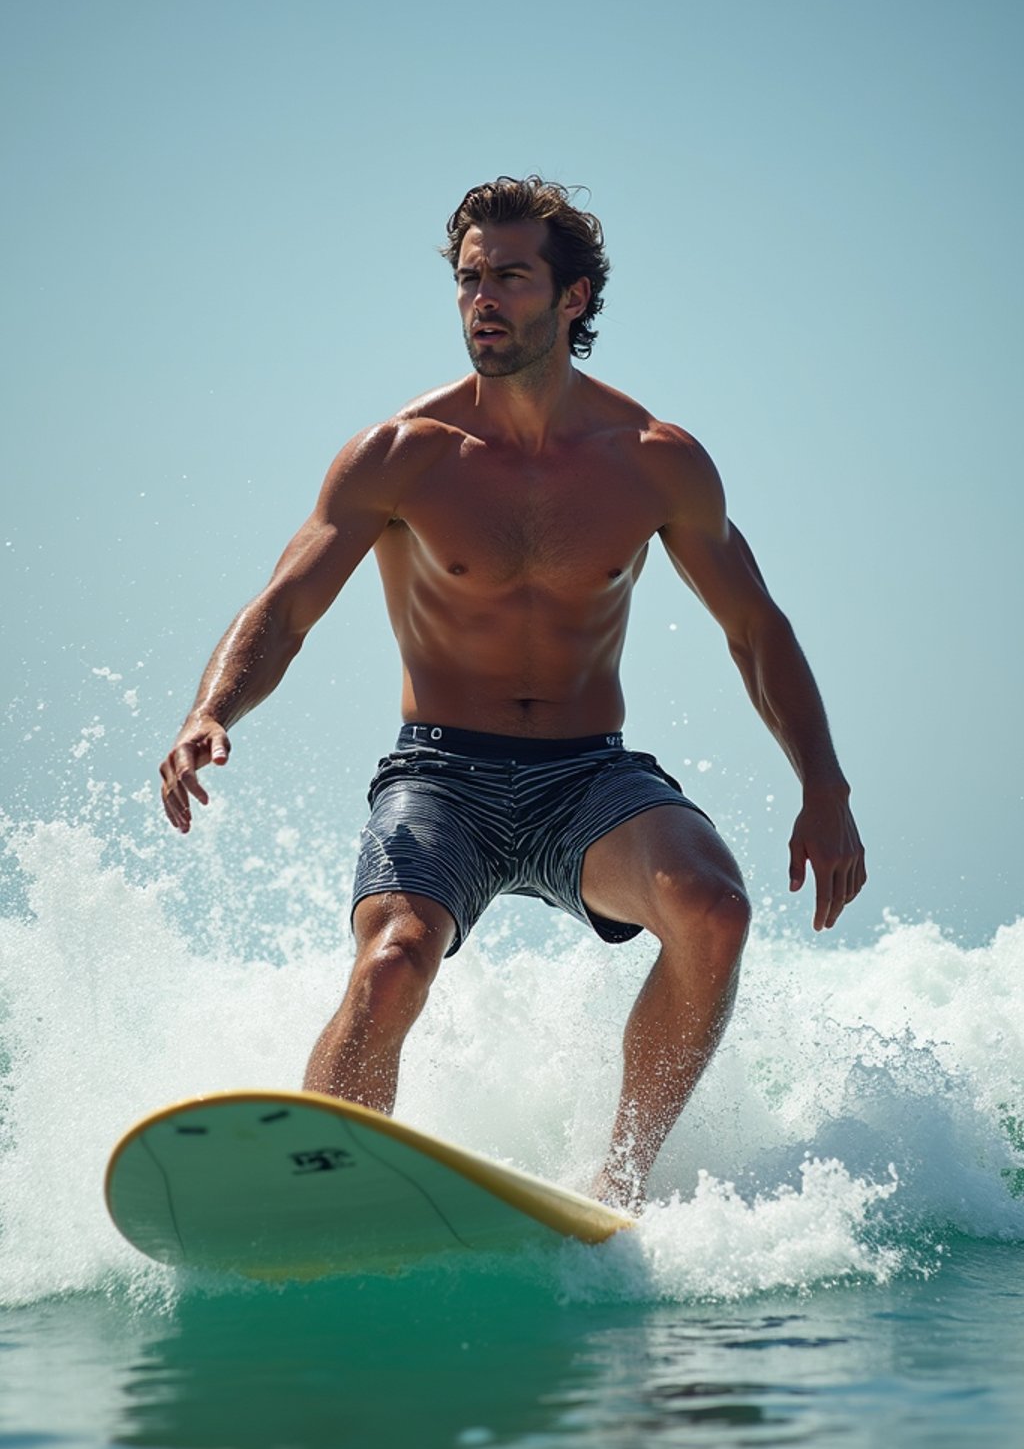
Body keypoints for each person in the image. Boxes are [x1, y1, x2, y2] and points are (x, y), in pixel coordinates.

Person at [160, 176, 865, 1211]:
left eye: (509, 277)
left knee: (713, 910)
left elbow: (754, 630)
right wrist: (210, 709)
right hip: (441, 774)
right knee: (396, 959)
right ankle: (315, 1186)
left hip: (587, 776)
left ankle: (615, 1183)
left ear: (572, 297)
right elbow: (287, 603)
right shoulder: (401, 455)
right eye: (468, 279)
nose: (481, 299)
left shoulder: (655, 462)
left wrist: (825, 786)